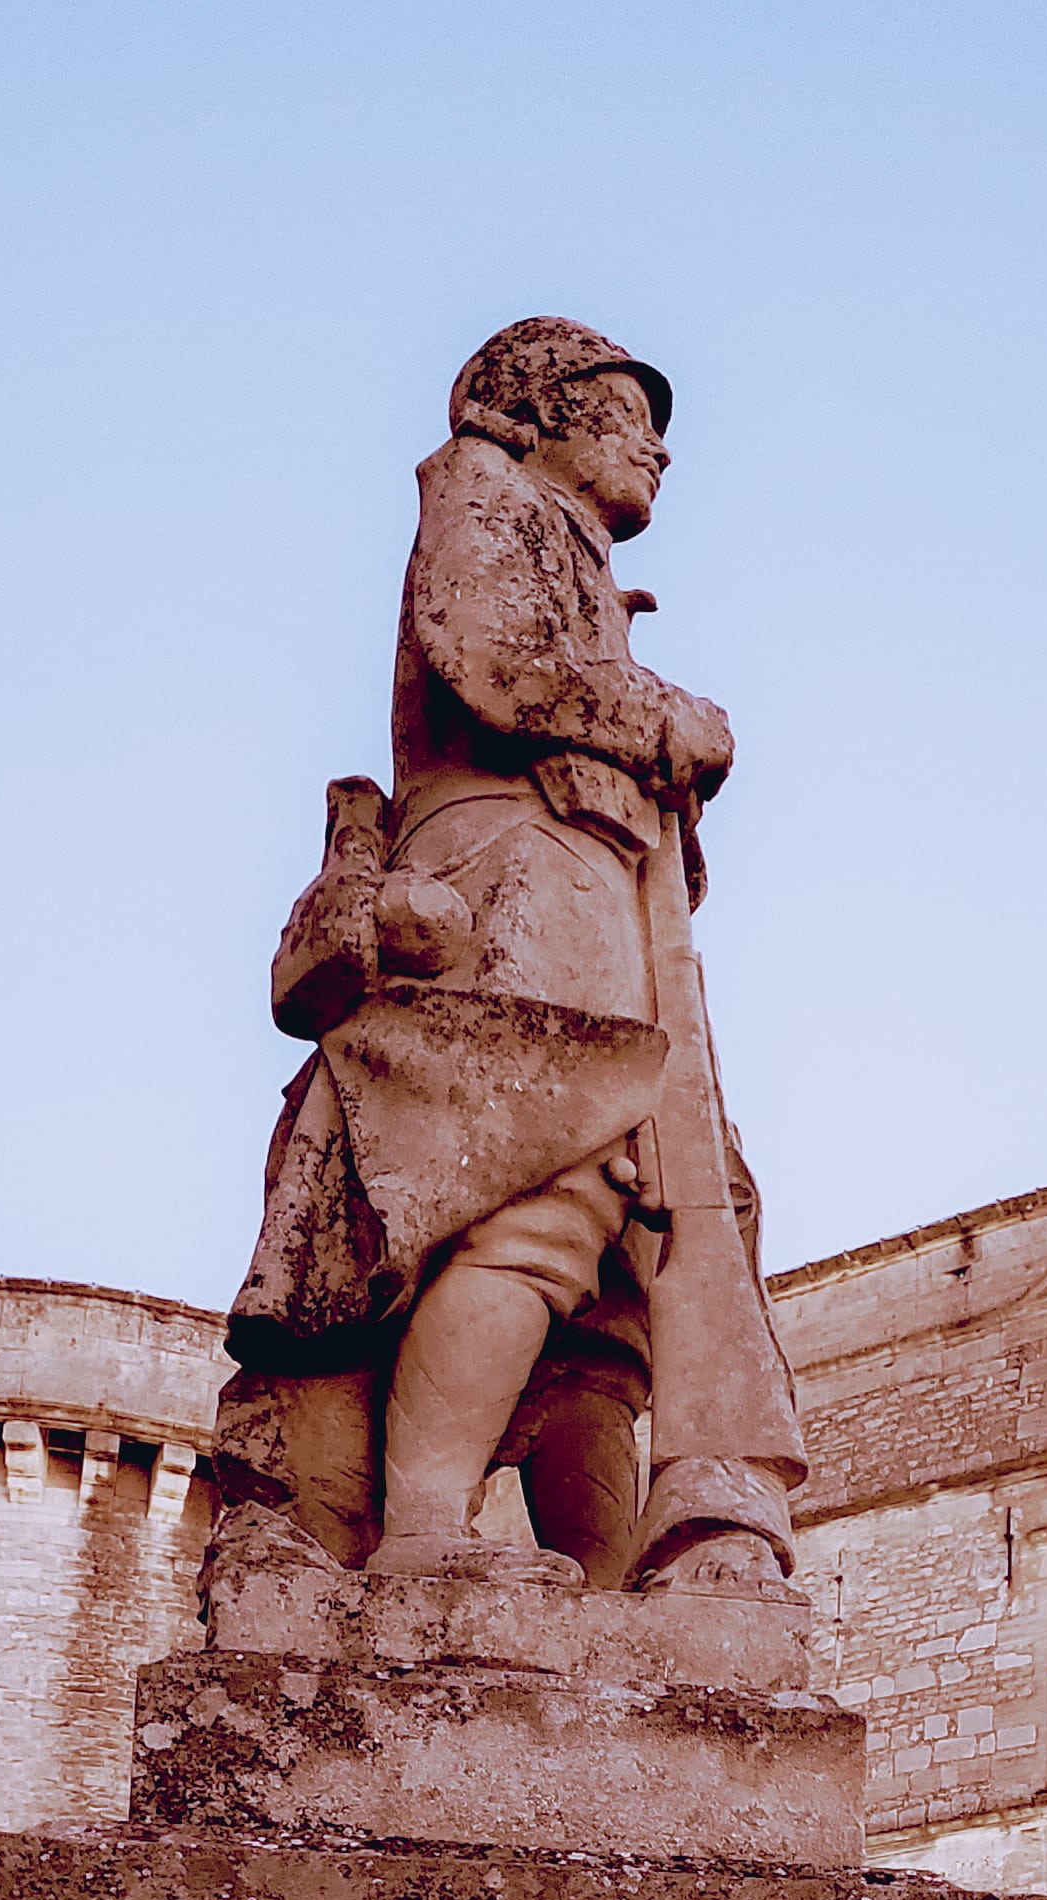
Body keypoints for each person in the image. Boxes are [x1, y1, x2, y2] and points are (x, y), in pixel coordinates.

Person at [220, 318, 805, 1591]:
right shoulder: (486, 492)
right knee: (540, 1180)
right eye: (620, 406)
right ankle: (427, 1525)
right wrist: (661, 714)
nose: (654, 439)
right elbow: (492, 664)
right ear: (530, 413)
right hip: (519, 872)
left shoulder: (572, 547)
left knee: (618, 1252)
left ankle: (603, 1573)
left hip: (593, 885)